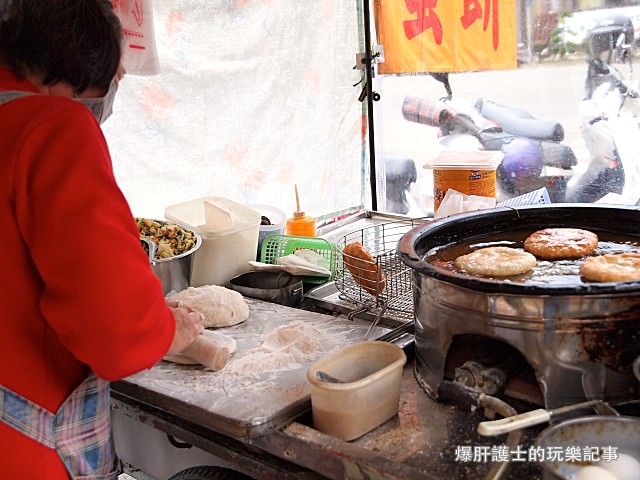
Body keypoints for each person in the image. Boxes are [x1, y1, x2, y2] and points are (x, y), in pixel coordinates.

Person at [0, 1, 204, 478]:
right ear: (69, 76)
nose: (109, 99)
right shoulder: (52, 127)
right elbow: (116, 327)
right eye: (113, 82)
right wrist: (169, 330)